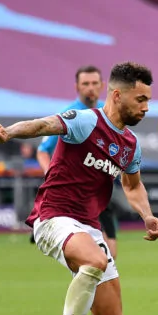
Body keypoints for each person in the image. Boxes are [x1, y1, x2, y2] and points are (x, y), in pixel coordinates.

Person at [0, 62, 158, 315]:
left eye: (148, 100)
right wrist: (9, 132)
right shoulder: (86, 121)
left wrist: (147, 215)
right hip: (53, 217)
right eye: (140, 99)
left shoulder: (130, 144)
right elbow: (42, 125)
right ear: (117, 95)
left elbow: (133, 185)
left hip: (88, 225)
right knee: (96, 260)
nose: (146, 107)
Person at [35, 66, 119, 258]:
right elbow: (42, 151)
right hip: (74, 195)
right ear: (77, 87)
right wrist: (51, 175)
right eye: (85, 84)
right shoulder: (68, 115)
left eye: (94, 83)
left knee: (110, 255)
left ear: (102, 86)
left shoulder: (109, 113)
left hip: (100, 193)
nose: (90, 88)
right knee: (88, 256)